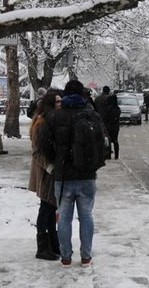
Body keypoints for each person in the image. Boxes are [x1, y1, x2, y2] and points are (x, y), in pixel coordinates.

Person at [39, 79, 106, 267]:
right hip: (87, 175)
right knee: (87, 216)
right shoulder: (91, 115)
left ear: (65, 95)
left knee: (64, 218)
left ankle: (66, 257)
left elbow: (43, 142)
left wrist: (56, 159)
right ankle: (86, 256)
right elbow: (103, 142)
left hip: (63, 176)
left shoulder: (54, 117)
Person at [28, 89, 61, 261]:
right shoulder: (41, 123)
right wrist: (49, 167)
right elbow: (36, 151)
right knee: (46, 209)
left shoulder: (50, 121)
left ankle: (52, 243)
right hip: (45, 173)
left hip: (49, 172)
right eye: (57, 102)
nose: (60, 104)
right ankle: (43, 246)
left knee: (51, 208)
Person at [103, 94, 121, 159]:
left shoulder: (108, 108)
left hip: (109, 126)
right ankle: (116, 155)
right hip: (115, 127)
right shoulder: (117, 108)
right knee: (115, 140)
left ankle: (109, 155)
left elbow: (105, 117)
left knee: (109, 140)